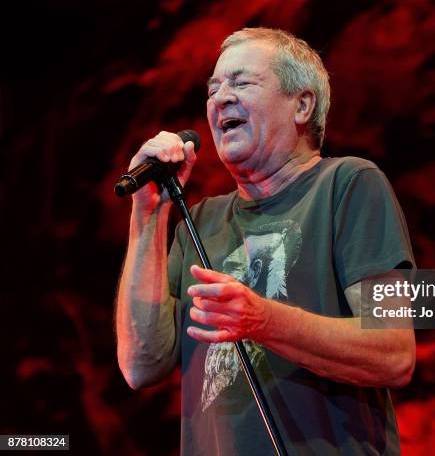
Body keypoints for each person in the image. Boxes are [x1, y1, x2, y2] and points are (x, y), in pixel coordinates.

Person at [115, 27, 416, 456]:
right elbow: (140, 365)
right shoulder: (196, 223)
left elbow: (394, 353)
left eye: (241, 83)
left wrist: (263, 320)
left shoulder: (348, 185)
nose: (219, 99)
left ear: (302, 104)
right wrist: (147, 214)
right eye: (214, 88)